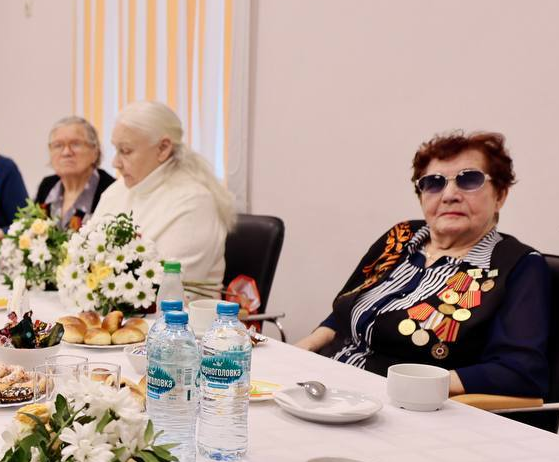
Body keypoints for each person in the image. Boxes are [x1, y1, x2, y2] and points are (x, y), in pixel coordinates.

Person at [295, 131, 549, 397]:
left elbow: (520, 371)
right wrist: (299, 352)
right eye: (434, 183)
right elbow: (343, 313)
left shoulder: (519, 266)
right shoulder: (400, 236)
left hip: (405, 405)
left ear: (500, 195)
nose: (449, 195)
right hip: (325, 385)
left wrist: (414, 387)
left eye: (469, 180)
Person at [91, 101, 235, 290]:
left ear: (163, 148)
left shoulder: (195, 201)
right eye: (116, 150)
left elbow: (168, 290)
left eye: (126, 151)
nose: (115, 163)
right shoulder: (117, 191)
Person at [33, 115, 115, 231]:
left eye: (75, 144)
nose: (66, 152)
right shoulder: (47, 186)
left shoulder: (111, 190)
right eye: (58, 145)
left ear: (95, 151)